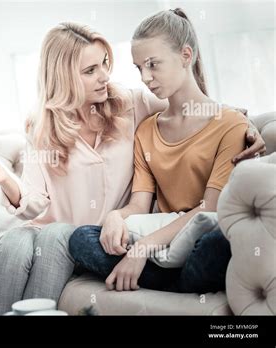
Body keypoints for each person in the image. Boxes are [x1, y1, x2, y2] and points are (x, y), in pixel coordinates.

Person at [0, 22, 265, 314]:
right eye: (90, 70)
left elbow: (202, 110)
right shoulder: (42, 126)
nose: (104, 76)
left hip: (92, 237)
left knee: (57, 234)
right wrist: (5, 179)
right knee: (15, 239)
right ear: (63, 77)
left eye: (104, 64)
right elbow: (33, 201)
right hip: (47, 235)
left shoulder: (131, 104)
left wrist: (250, 130)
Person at [69, 8, 259, 294]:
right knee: (81, 238)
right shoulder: (146, 130)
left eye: (153, 65)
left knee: (219, 242)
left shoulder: (230, 124)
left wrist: (142, 248)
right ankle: (177, 283)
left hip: (198, 243)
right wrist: (114, 218)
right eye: (138, 68)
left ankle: (160, 279)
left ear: (186, 55)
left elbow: (211, 207)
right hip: (163, 247)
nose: (145, 77)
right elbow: (138, 207)